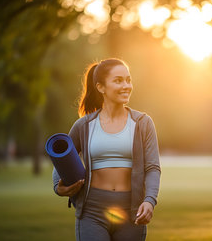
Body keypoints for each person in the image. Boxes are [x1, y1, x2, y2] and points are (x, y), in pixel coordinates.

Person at [51, 58, 161, 241]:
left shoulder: (143, 123)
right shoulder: (84, 125)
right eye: (118, 81)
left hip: (131, 211)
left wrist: (149, 201)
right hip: (92, 211)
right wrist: (58, 186)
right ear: (101, 87)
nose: (126, 85)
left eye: (128, 80)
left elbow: (152, 168)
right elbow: (61, 159)